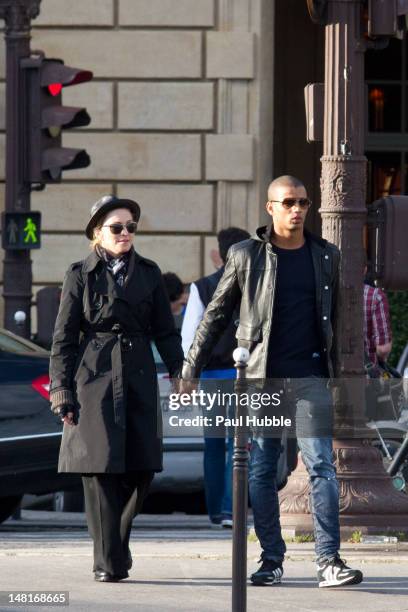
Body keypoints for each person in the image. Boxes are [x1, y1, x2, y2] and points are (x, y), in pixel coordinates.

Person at [181, 175, 363, 588]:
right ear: (270, 208)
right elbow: (215, 315)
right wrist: (191, 367)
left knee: (322, 467)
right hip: (262, 382)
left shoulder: (325, 256)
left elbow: (337, 321)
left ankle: (329, 560)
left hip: (311, 379)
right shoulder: (246, 255)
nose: (296, 210)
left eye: (302, 203)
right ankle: (271, 558)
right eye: (287, 202)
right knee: (262, 469)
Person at [49, 194, 184, 583]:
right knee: (100, 470)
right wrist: (61, 389)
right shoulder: (80, 274)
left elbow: (165, 330)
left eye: (131, 227)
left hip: (139, 372)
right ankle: (108, 560)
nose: (126, 233)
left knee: (143, 467)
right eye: (117, 227)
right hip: (94, 376)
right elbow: (63, 339)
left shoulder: (149, 272)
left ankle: (115, 547)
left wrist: (180, 371)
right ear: (97, 233)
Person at [182, 227, 250, 528]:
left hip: (210, 374)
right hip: (245, 375)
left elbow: (189, 336)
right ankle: (229, 509)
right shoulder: (255, 283)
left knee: (213, 444)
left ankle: (215, 510)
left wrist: (188, 375)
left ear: (220, 253)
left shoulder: (201, 286)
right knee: (241, 444)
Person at [363, 281, 392, 365]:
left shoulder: (326, 293)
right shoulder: (376, 296)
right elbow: (383, 349)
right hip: (365, 373)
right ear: (365, 269)